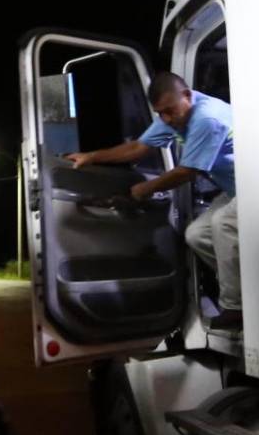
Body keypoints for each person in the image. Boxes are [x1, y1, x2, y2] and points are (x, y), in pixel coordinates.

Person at [63, 72, 241, 330]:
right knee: (197, 235)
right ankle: (246, 287)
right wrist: (91, 157)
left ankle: (235, 307)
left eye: (169, 111)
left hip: (258, 185)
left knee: (222, 223)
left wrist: (143, 190)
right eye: (160, 113)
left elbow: (187, 172)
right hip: (234, 189)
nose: (166, 119)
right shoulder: (174, 115)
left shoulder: (206, 118)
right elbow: (138, 148)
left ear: (187, 96)